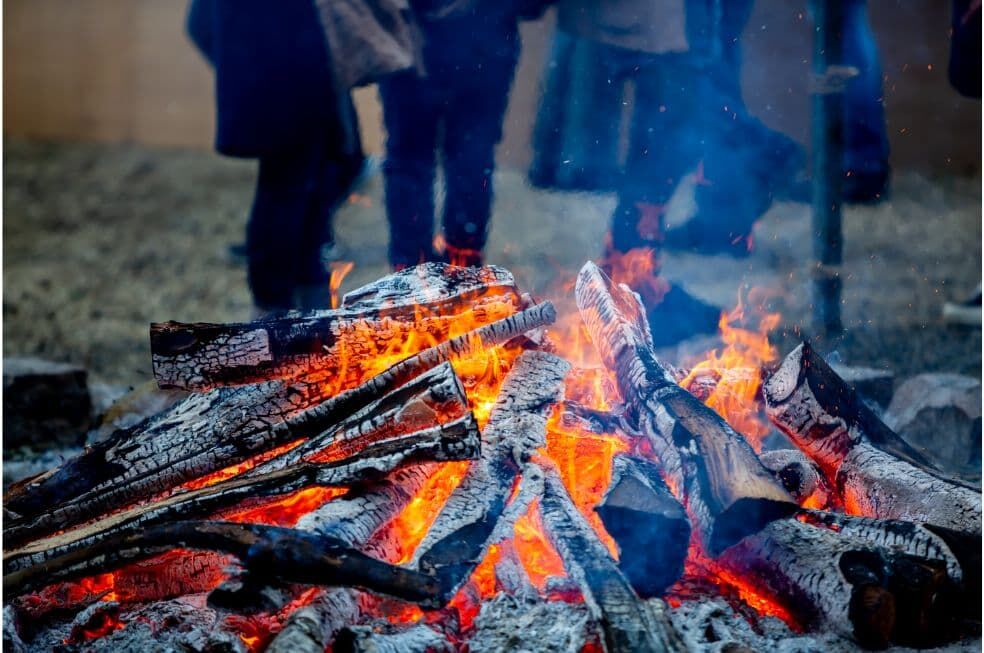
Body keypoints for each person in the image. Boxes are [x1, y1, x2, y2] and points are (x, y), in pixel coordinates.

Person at [554, 0, 722, 345]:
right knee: (666, 133)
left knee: (666, 133)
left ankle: (635, 282)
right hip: (659, 24)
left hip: (659, 26)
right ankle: (634, 292)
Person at [187, 0, 365, 313]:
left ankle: (308, 305)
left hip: (305, 82)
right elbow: (200, 22)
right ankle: (273, 314)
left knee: (313, 188)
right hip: (290, 81)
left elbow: (199, 23)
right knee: (286, 190)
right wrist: (246, 68)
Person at [379, 0, 548, 270]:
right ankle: (453, 268)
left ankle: (419, 269)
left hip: (424, 35)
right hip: (479, 37)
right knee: (465, 156)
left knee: (419, 158)